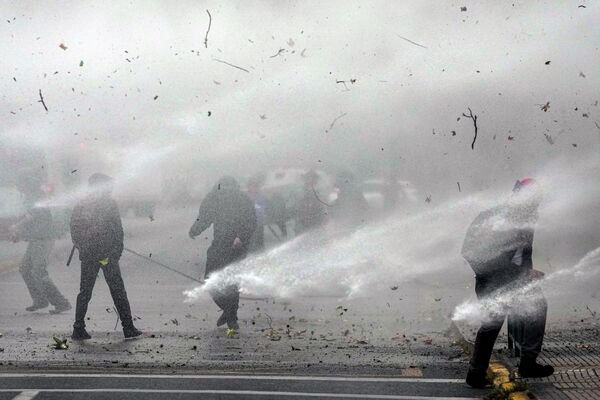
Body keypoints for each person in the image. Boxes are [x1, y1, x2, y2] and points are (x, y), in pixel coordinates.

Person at [462, 178, 554, 388]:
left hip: (518, 279)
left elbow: (523, 254)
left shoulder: (527, 221)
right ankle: (475, 373)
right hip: (493, 280)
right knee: (492, 324)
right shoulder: (492, 217)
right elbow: (471, 251)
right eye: (532, 200)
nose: (535, 206)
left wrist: (527, 272)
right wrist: (512, 272)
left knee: (537, 306)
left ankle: (528, 363)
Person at [69, 173, 142, 340]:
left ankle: (78, 327)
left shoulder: (81, 205)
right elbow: (117, 230)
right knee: (117, 291)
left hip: (89, 255)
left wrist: (83, 248)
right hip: (106, 255)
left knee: (85, 291)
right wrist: (116, 251)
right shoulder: (109, 204)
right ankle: (128, 327)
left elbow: (74, 230)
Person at [189, 176, 256, 329]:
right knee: (210, 280)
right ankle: (229, 311)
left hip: (237, 246)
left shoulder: (241, 199)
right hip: (220, 244)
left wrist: (241, 237)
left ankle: (231, 318)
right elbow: (205, 217)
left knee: (231, 283)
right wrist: (195, 230)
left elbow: (251, 220)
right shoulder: (215, 198)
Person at [9, 172, 71, 314]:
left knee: (38, 271)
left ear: (26, 184)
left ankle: (61, 302)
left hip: (44, 239)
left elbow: (32, 216)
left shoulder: (36, 196)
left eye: (20, 184)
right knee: (25, 268)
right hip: (37, 238)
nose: (18, 187)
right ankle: (40, 300)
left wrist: (17, 227)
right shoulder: (30, 196)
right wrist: (20, 233)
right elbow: (31, 219)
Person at [294, 170, 328, 234]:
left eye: (313, 180)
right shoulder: (300, 193)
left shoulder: (319, 193)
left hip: (316, 224)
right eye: (308, 179)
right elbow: (297, 209)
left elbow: (323, 210)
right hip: (304, 224)